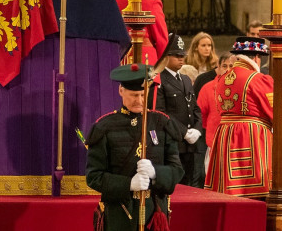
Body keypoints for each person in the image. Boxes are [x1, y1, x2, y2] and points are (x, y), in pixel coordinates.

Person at [85, 63, 184, 230]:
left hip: (155, 214)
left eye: (142, 94)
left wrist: (156, 173)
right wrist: (129, 184)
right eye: (133, 95)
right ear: (121, 91)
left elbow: (177, 170)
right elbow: (94, 177)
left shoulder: (162, 123)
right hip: (119, 215)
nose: (139, 101)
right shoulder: (104, 127)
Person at [204, 36, 275, 198]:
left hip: (225, 135)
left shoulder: (222, 78)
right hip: (251, 136)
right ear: (256, 57)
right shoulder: (258, 79)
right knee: (254, 192)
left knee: (229, 189)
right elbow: (277, 111)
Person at [152, 33, 205, 187]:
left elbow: (195, 108)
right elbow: (161, 112)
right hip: (173, 142)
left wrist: (197, 129)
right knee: (175, 186)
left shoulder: (186, 79)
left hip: (191, 145)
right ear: (165, 56)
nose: (181, 58)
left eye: (182, 55)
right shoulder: (158, 79)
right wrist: (184, 133)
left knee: (190, 184)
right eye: (176, 55)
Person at [197, 52, 235, 174]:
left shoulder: (241, 87)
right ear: (217, 68)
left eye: (231, 66)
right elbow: (200, 115)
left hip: (236, 146)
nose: (228, 70)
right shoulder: (207, 88)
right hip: (213, 145)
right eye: (224, 66)